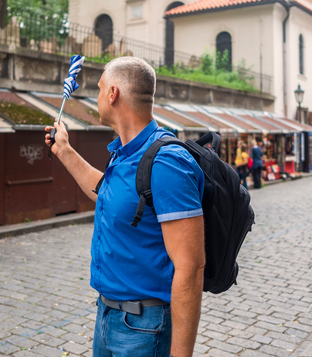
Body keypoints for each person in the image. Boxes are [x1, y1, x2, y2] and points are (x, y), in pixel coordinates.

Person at [45, 57, 205, 357]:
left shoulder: (167, 163)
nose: (97, 96)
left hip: (144, 328)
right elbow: (109, 195)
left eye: (99, 87)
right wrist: (64, 151)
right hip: (107, 316)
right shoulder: (124, 151)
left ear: (113, 93)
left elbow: (191, 267)